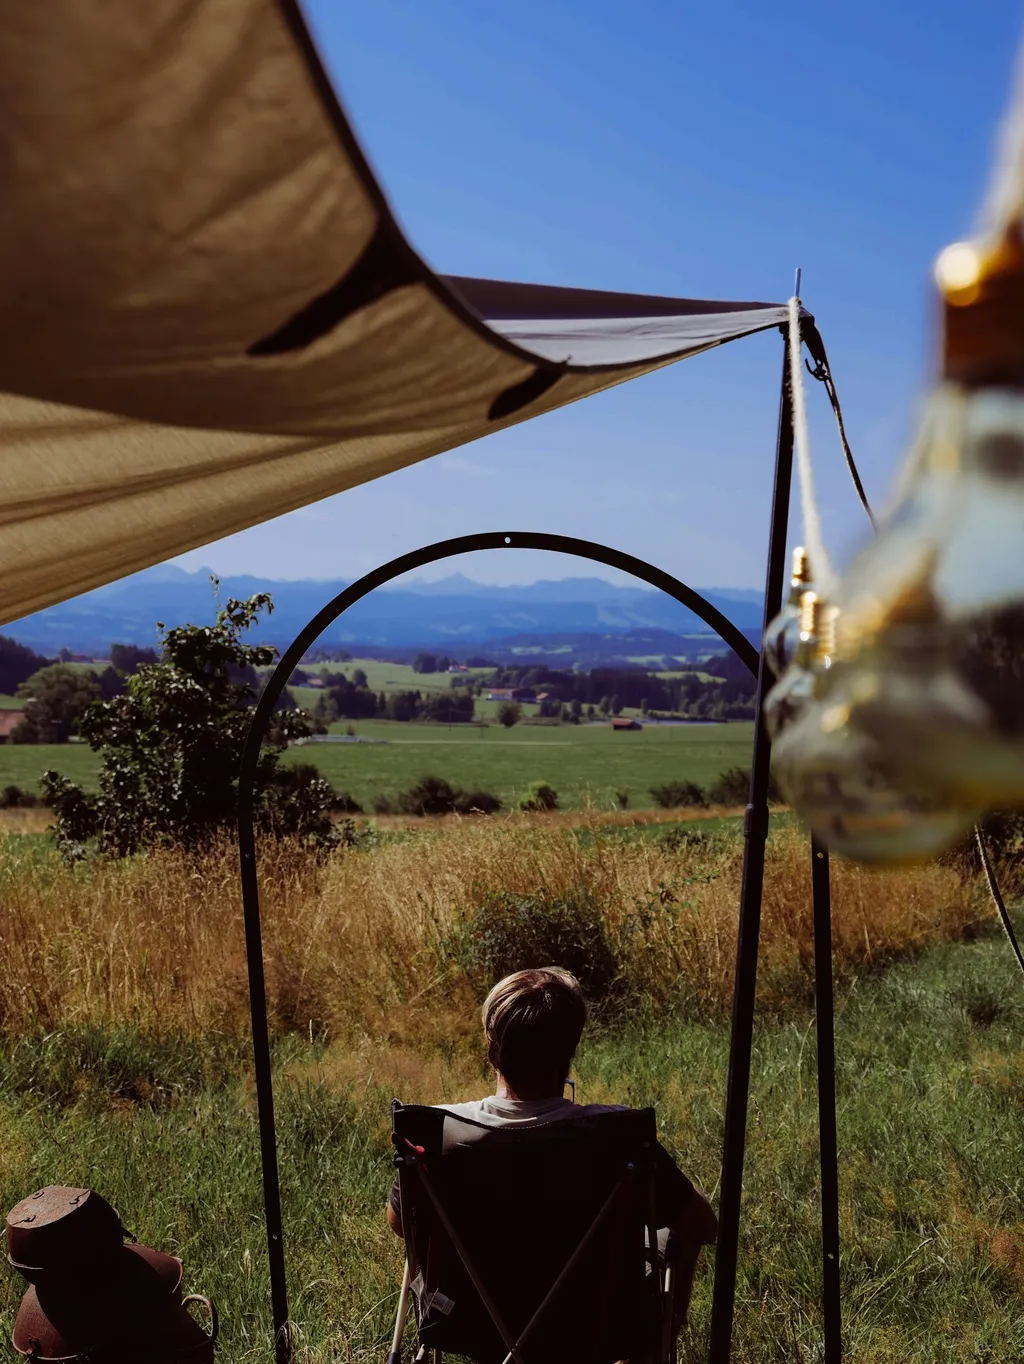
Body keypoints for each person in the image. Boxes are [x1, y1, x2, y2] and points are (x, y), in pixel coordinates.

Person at [387, 966, 718, 1337]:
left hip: (474, 1325)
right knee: (674, 1231)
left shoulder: (437, 1132)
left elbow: (402, 1225)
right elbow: (703, 1225)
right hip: (593, 1324)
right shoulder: (616, 1134)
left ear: (490, 1046)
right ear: (571, 1048)